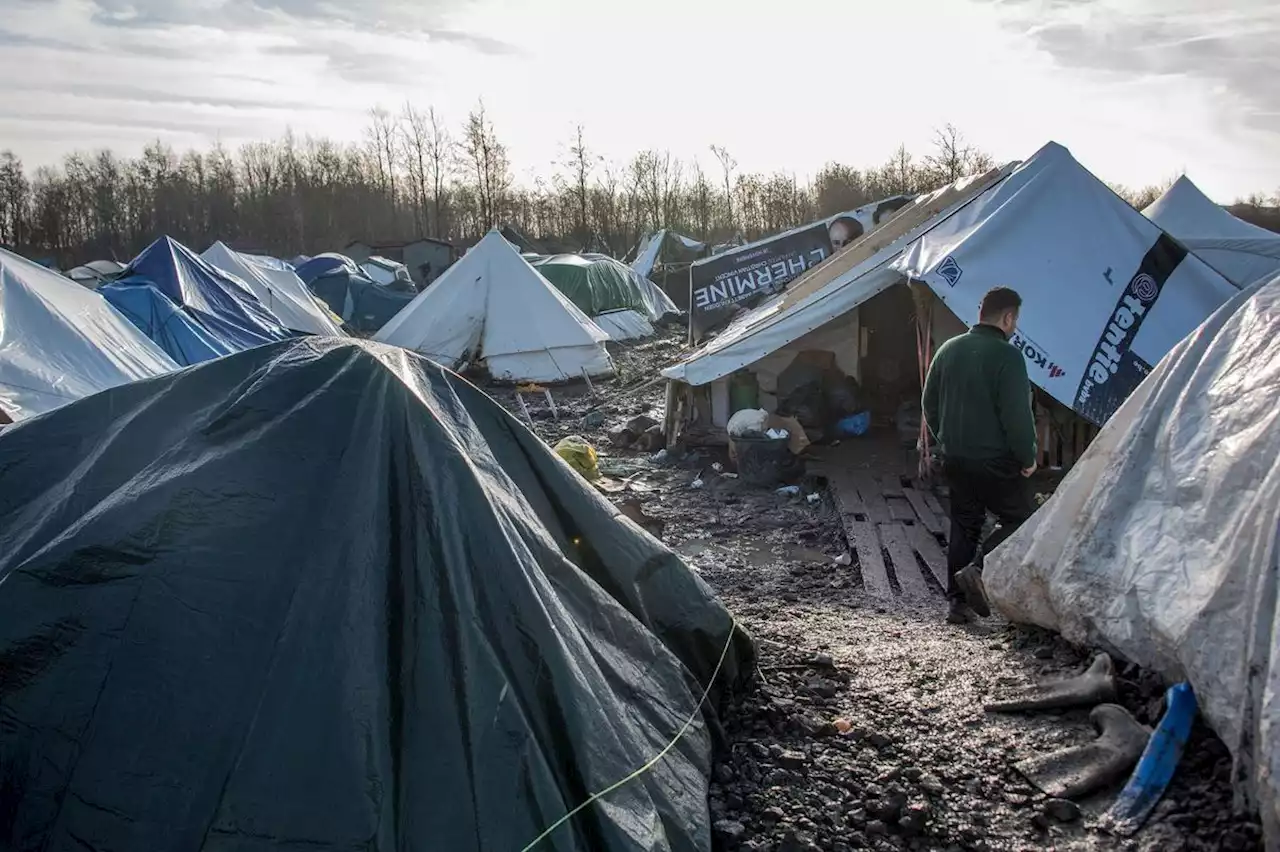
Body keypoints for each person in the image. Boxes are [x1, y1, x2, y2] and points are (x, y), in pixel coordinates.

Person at [921, 286, 1038, 624]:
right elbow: (1017, 415)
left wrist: (946, 438)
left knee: (964, 525)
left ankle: (957, 605)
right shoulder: (1008, 356)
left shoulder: (949, 349)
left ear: (979, 312)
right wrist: (1027, 457)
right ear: (1008, 317)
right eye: (1015, 321)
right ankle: (978, 568)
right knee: (1023, 518)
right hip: (996, 461)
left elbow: (928, 403)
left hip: (955, 458)